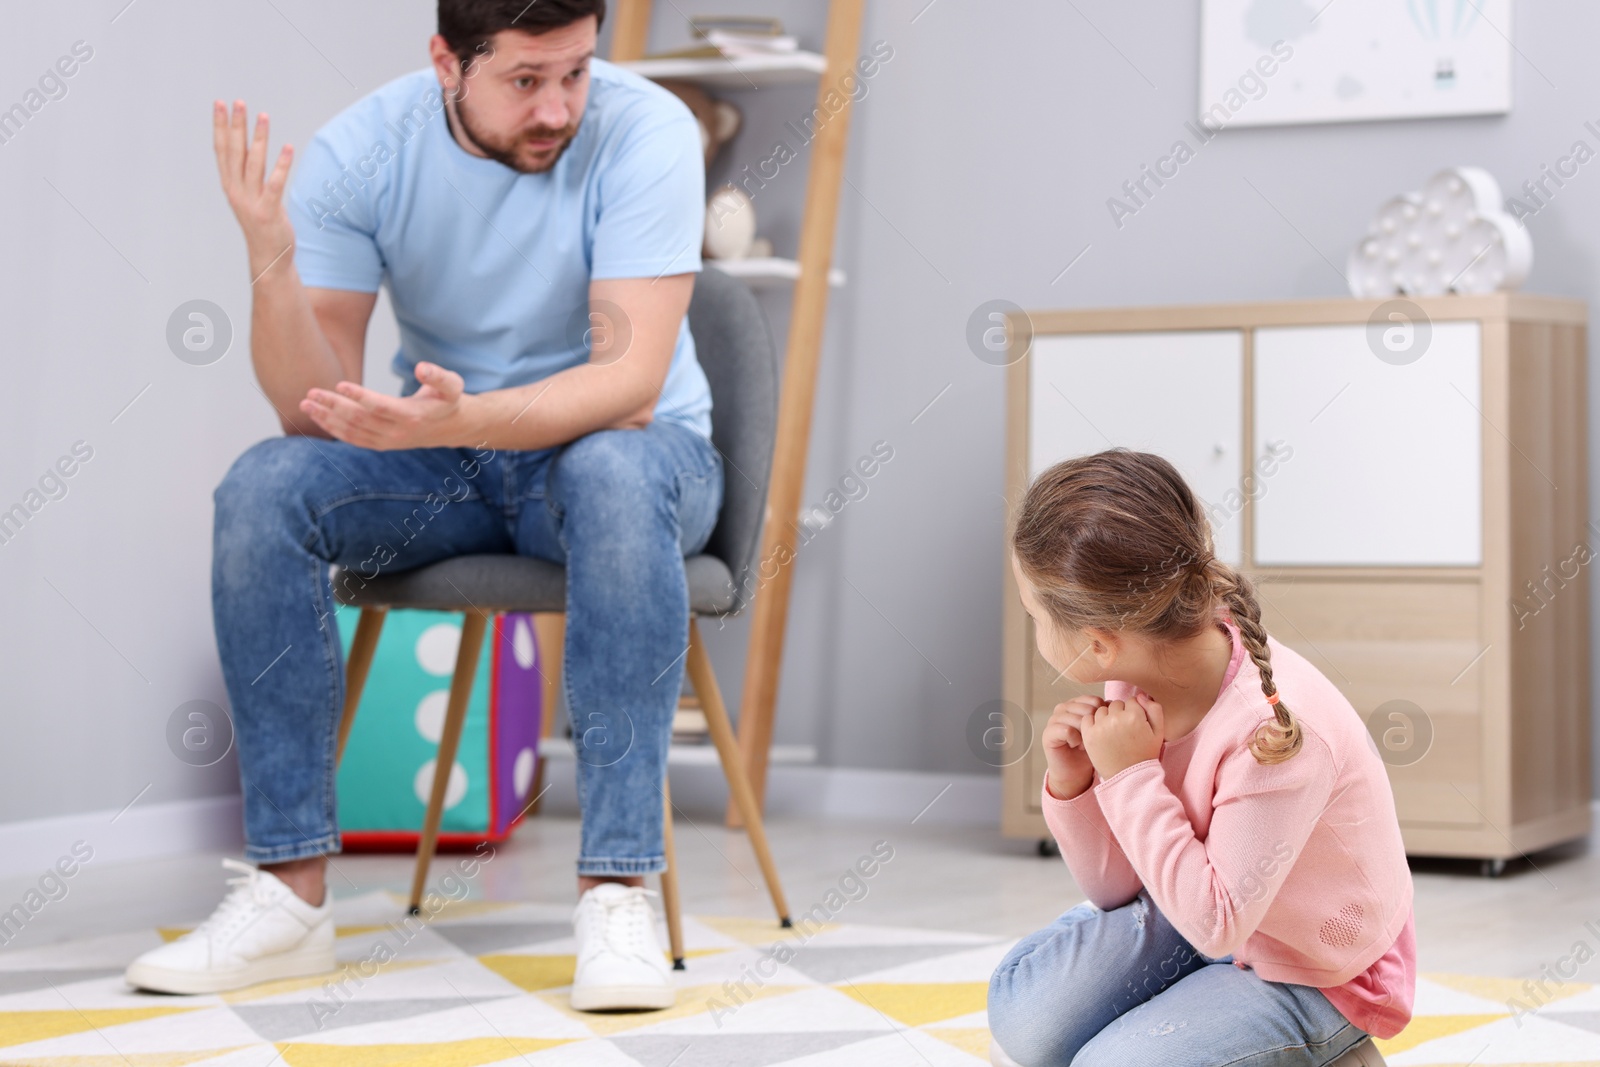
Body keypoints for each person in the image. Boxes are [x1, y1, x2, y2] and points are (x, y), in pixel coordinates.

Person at [124, 0, 715, 1012]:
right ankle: (288, 894)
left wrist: (465, 420)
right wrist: (273, 259)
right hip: (450, 459)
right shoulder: (364, 151)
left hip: (629, 460)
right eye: (525, 79)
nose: (559, 107)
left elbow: (630, 385)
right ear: (446, 60)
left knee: (612, 472)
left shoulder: (648, 127)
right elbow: (311, 414)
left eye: (575, 72)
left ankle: (617, 890)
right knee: (265, 482)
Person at [988, 449, 1415, 1066]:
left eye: (1033, 614)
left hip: (1316, 966)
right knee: (1022, 1014)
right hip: (1202, 911)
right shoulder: (1134, 677)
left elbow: (1217, 924)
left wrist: (1131, 775)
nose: (1032, 627)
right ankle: (1205, 1008)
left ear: (1099, 644)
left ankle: (1335, 1051)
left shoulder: (1273, 736)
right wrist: (1078, 785)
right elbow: (1118, 890)